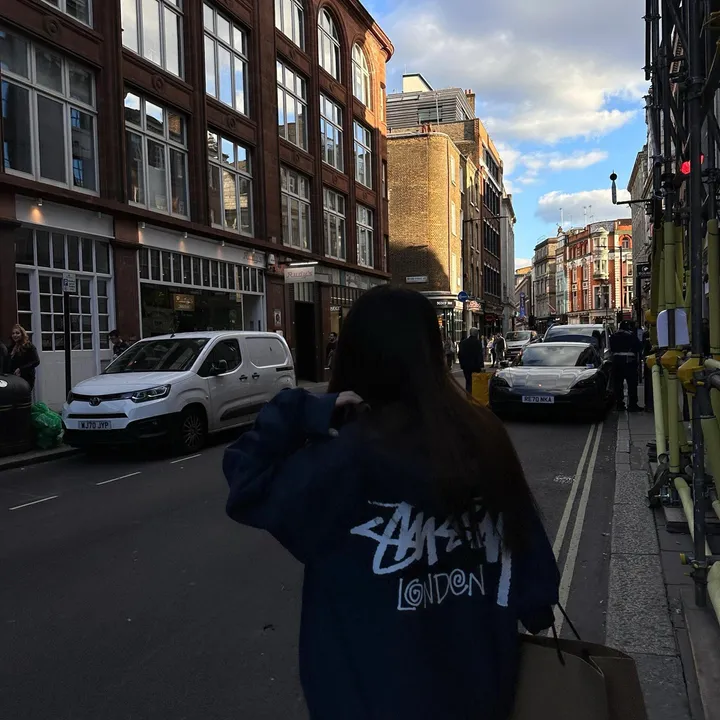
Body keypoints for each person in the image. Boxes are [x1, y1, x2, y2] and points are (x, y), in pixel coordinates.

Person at [224, 286, 559, 720]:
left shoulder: (340, 460)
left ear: (353, 356)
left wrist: (306, 410)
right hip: (483, 698)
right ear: (432, 354)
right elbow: (536, 587)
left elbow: (247, 477)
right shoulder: (483, 439)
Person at [610, 321, 643, 411]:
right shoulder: (631, 336)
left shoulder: (613, 336)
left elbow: (611, 348)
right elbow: (639, 347)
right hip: (629, 362)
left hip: (617, 361)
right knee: (632, 384)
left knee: (618, 384)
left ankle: (619, 404)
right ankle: (632, 405)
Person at [8, 324, 40, 391]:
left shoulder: (29, 346)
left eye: (17, 333)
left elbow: (36, 361)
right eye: (13, 333)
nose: (15, 335)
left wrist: (21, 369)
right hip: (14, 378)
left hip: (26, 377)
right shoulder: (11, 347)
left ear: (22, 334)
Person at [458, 327, 485, 393]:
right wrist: (481, 366)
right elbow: (479, 355)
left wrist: (462, 364)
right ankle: (474, 395)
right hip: (475, 366)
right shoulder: (477, 342)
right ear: (476, 334)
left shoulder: (463, 342)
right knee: (475, 382)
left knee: (468, 381)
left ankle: (468, 394)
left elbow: (460, 354)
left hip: (466, 366)